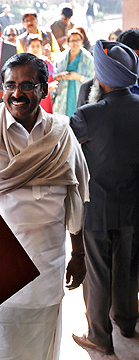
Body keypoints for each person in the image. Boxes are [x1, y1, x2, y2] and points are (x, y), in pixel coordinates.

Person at [0, 53, 89, 360]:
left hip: (48, 266)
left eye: (28, 85)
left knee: (45, 346)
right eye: (10, 85)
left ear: (44, 90)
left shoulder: (62, 135)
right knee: (2, 346)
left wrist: (79, 253)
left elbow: (74, 199)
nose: (17, 93)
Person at [70, 40, 139, 356]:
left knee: (98, 274)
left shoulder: (87, 115)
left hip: (97, 207)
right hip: (133, 207)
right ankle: (126, 322)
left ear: (102, 75)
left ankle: (99, 335)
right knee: (128, 267)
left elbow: (72, 159)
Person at [52, 29, 94, 117]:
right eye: (72, 41)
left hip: (80, 95)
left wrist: (79, 77)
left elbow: (94, 80)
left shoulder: (88, 59)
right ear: (68, 42)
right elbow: (53, 75)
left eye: (78, 40)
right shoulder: (61, 58)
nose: (75, 43)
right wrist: (60, 76)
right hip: (62, 95)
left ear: (82, 41)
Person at [26, 34, 56, 113]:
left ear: (42, 48)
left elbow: (51, 79)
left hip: (44, 97)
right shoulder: (24, 63)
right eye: (32, 46)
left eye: (38, 46)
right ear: (27, 47)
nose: (35, 49)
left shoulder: (46, 62)